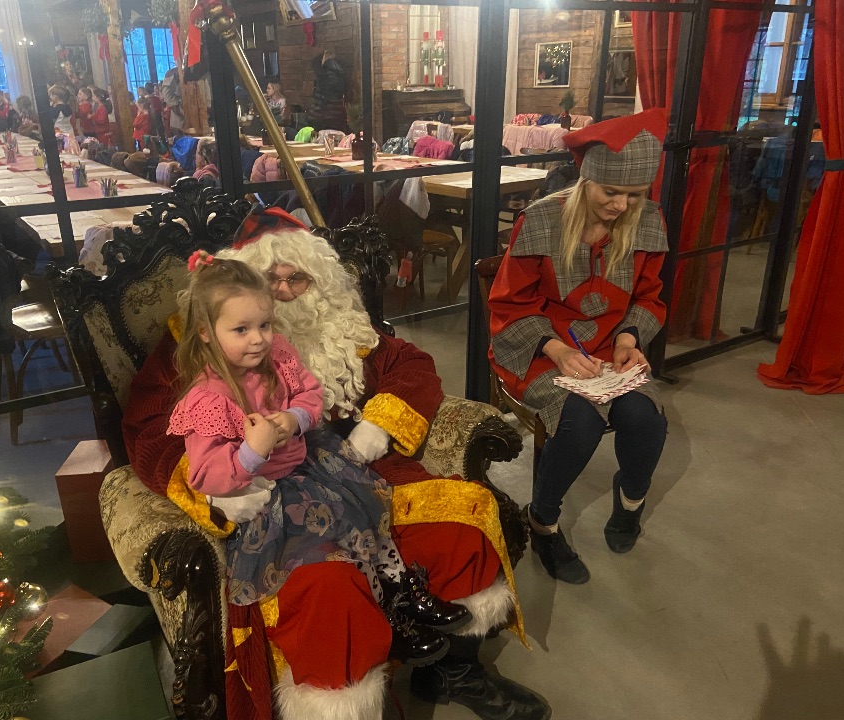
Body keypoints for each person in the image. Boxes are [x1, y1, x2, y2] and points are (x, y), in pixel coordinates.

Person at [121, 210, 550, 720]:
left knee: (462, 525)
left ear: (320, 282)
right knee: (327, 589)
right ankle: (347, 707)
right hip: (269, 499)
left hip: (353, 472)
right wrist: (217, 488)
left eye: (297, 279)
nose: (284, 292)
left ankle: (453, 669)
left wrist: (381, 423)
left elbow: (411, 365)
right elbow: (146, 424)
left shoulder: (343, 328)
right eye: (271, 279)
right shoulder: (198, 341)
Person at [169, 253, 469, 666]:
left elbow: (309, 393)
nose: (258, 339)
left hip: (313, 462)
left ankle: (402, 590)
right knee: (338, 539)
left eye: (264, 325)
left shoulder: (278, 354)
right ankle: (386, 617)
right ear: (205, 332)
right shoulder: (207, 398)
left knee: (365, 512)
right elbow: (205, 475)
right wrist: (252, 451)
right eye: (241, 329)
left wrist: (295, 418)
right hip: (272, 494)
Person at [488, 108, 671, 585]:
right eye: (610, 191)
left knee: (646, 419)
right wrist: (557, 349)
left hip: (610, 347)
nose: (622, 205)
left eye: (635, 194)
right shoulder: (541, 220)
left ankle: (631, 501)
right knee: (580, 422)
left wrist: (629, 337)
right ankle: (543, 522)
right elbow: (508, 304)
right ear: (586, 180)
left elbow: (649, 297)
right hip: (538, 348)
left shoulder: (648, 221)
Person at [311, 49, 347, 131]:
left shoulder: (322, 74)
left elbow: (320, 97)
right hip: (337, 114)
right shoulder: (340, 74)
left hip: (323, 114)